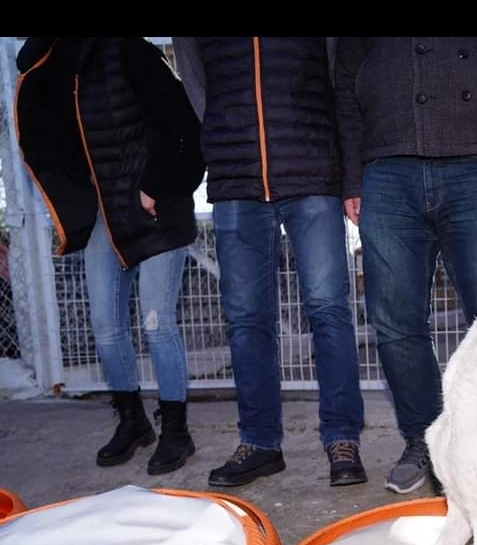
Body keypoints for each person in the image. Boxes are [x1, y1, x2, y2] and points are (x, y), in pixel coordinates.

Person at [172, 37, 367, 488]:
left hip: (312, 171)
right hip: (236, 179)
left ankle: (342, 439)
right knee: (245, 320)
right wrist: (226, 134)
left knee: (329, 310)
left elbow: (338, 77)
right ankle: (259, 442)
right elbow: (198, 86)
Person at [334, 37, 477, 494]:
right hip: (387, 164)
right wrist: (352, 175)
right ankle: (423, 437)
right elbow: (345, 78)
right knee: (394, 318)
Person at [15, 36, 204, 475]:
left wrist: (156, 184)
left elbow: (183, 125)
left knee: (157, 322)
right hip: (107, 213)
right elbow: (59, 137)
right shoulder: (61, 66)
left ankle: (176, 429)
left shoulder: (131, 51)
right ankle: (133, 421)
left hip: (156, 206)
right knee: (105, 325)